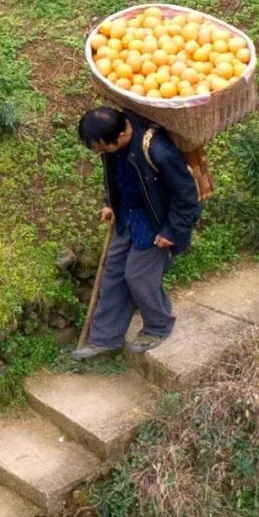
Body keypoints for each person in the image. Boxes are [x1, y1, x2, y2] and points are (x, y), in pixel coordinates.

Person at [74, 105, 202, 358]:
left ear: (121, 136)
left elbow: (188, 195)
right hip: (128, 217)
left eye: (102, 147)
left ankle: (158, 325)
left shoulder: (158, 151)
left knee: (138, 276)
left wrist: (172, 231)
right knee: (113, 273)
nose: (100, 152)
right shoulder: (112, 145)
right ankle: (105, 337)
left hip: (156, 224)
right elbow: (118, 177)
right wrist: (109, 203)